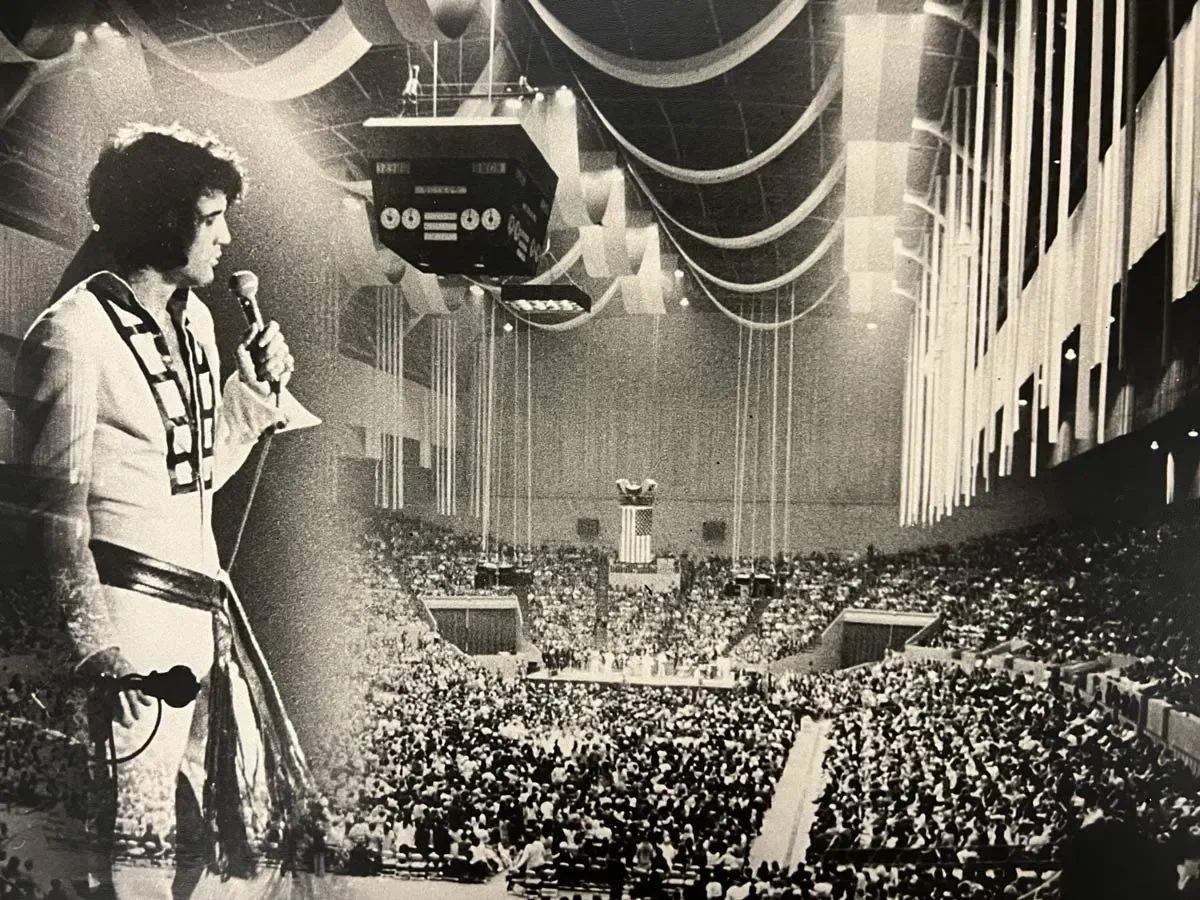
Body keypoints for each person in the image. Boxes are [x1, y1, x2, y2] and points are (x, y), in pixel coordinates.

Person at [5, 122, 318, 899]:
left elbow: (197, 480)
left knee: (231, 836)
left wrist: (253, 395)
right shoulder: (70, 336)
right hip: (130, 628)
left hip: (205, 619)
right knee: (134, 843)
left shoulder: (200, 325)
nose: (226, 238)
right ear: (162, 220)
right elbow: (53, 523)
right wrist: (99, 653)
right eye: (211, 220)